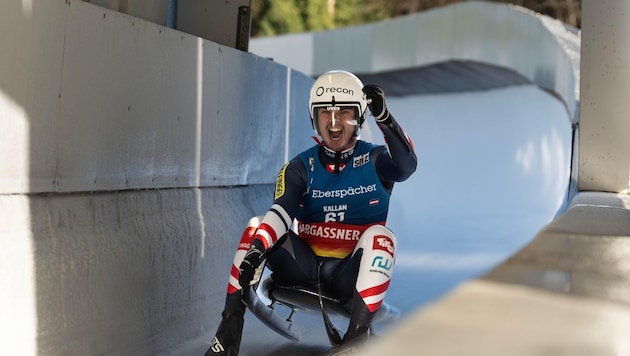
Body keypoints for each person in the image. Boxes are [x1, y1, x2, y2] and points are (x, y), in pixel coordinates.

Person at [205, 70, 417, 356]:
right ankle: (227, 335)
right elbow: (279, 214)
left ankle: (355, 342)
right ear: (313, 119)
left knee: (383, 238)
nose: (333, 123)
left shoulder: (377, 159)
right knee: (257, 228)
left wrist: (386, 119)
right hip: (302, 266)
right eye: (325, 114)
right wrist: (257, 250)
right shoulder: (299, 167)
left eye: (344, 113)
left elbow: (406, 166)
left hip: (348, 275)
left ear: (360, 117)